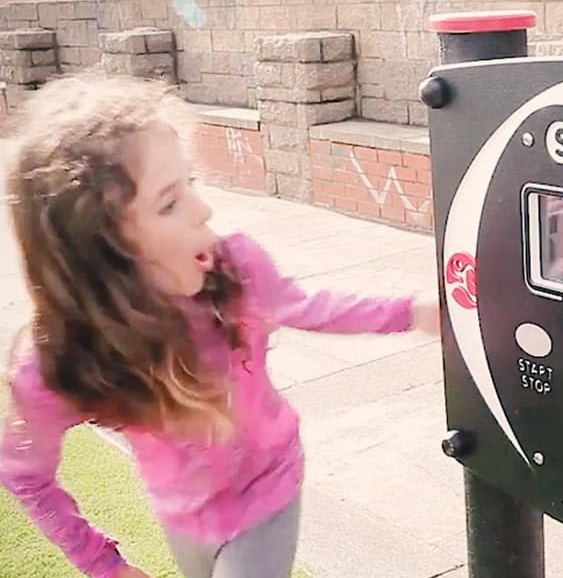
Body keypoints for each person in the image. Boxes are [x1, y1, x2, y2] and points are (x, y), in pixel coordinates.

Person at [0, 73, 440, 578]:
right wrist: (105, 566)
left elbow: (309, 306)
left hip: (267, 491)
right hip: (182, 515)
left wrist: (409, 311)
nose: (204, 210)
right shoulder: (62, 360)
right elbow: (23, 473)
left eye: (190, 183)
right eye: (169, 201)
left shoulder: (234, 268)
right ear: (102, 253)